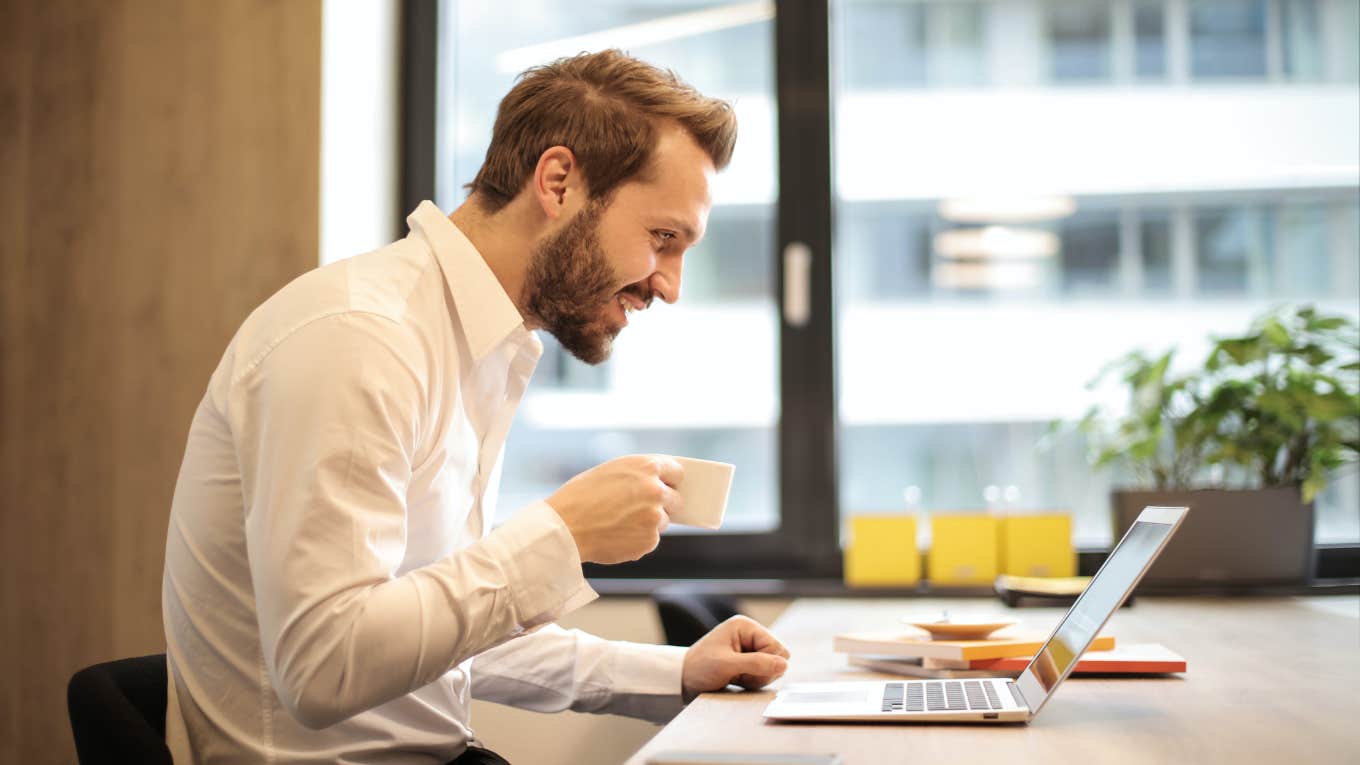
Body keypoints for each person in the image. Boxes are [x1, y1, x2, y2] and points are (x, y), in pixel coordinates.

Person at [161, 49, 790, 765]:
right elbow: (324, 664)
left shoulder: (481, 345)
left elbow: (435, 639)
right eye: (662, 239)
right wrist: (560, 535)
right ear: (557, 182)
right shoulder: (359, 338)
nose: (670, 286)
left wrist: (671, 673)